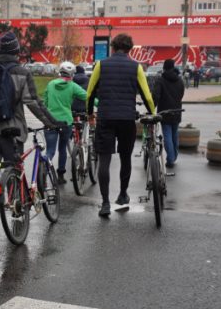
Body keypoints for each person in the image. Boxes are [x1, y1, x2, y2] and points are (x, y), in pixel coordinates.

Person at [0, 31, 60, 233]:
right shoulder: (22, 73)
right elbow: (33, 102)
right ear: (16, 52)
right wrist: (51, 122)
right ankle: (16, 209)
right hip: (12, 131)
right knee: (15, 167)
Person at [84, 33, 156, 217]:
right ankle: (123, 195)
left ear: (113, 47)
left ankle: (105, 203)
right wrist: (153, 113)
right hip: (126, 119)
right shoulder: (136, 67)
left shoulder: (101, 65)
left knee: (104, 160)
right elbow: (146, 95)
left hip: (106, 118)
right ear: (130, 49)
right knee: (125, 158)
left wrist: (89, 113)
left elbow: (90, 93)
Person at [42, 63, 88, 184]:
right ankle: (61, 175)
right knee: (62, 148)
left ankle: (42, 175)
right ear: (72, 74)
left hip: (50, 121)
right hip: (65, 122)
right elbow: (87, 97)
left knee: (50, 151)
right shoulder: (72, 86)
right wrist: (101, 104)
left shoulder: (50, 84)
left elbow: (45, 101)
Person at [151, 59, 186, 168]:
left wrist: (152, 107)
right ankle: (174, 156)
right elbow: (181, 94)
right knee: (174, 134)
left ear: (164, 68)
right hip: (177, 111)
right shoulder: (180, 80)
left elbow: (156, 96)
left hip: (164, 112)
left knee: (167, 135)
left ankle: (170, 159)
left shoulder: (160, 80)